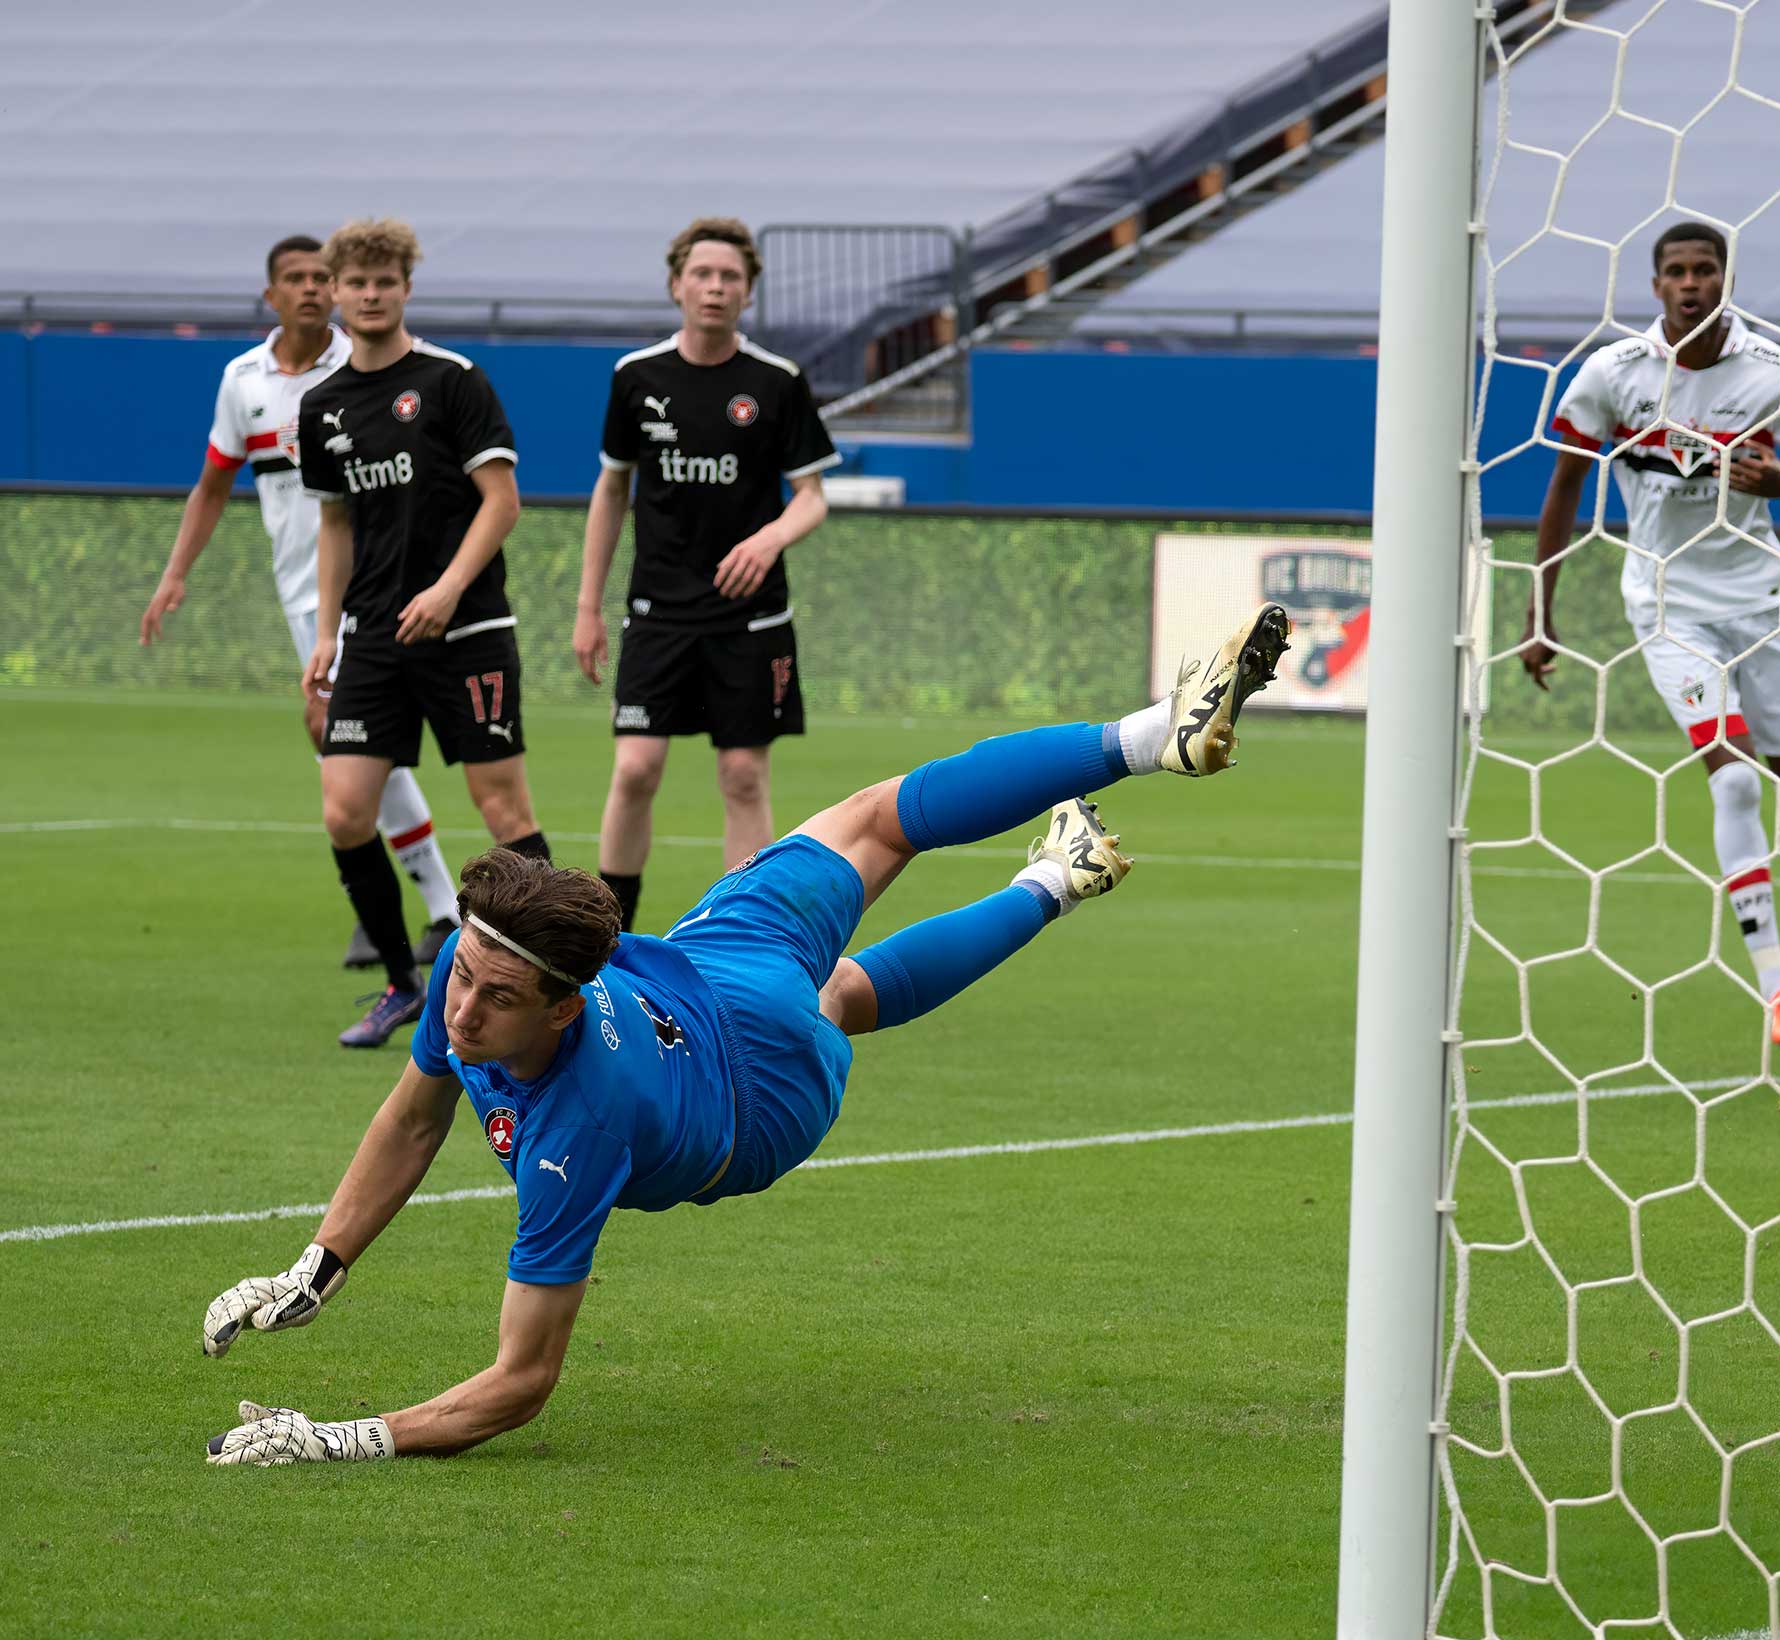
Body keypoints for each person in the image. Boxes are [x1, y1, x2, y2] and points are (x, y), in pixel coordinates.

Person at [196, 604, 1291, 1467]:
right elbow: (411, 1118)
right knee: (868, 866)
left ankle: (1089, 831)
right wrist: (317, 1267)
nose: (461, 1012)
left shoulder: (573, 1137)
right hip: (710, 976)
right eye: (464, 979)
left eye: (494, 999)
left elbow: (520, 1384)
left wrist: (338, 1438)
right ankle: (1120, 778)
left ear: (564, 1005)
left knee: (848, 963)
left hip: (756, 1094)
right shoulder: (476, 967)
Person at [1524, 220, 1780, 1056]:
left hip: (1758, 600)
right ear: (1655, 285)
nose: (1691, 283)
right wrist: (1538, 612)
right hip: (1668, 605)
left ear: (1726, 279)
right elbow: (1563, 488)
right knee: (1733, 781)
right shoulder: (1614, 374)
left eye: (1705, 270)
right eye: (1676, 272)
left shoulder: (1772, 370)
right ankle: (1777, 986)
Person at [140, 234, 460, 971]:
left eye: (322, 276)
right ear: (272, 295)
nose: (312, 288)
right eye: (297, 278)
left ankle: (435, 909)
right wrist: (175, 573)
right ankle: (421, 908)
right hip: (304, 600)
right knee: (359, 753)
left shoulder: (367, 364)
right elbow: (214, 483)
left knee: (355, 748)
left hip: (376, 589)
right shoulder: (242, 380)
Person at [296, 217, 548, 1050]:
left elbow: (502, 502)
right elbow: (336, 525)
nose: (370, 295)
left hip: (468, 628)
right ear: (335, 291)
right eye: (356, 282)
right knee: (345, 811)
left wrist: (446, 589)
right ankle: (403, 986)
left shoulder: (452, 381)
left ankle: (562, 972)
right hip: (373, 636)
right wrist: (326, 634)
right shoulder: (322, 405)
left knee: (501, 805)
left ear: (406, 287)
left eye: (385, 281)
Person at [573, 218, 841, 928]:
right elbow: (611, 490)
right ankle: (607, 939)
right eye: (702, 274)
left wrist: (769, 539)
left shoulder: (777, 382)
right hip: (657, 612)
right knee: (635, 769)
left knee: (743, 775)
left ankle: (742, 941)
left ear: (748, 292)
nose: (715, 287)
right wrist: (588, 606)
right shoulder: (637, 377)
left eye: (730, 277)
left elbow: (812, 497)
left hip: (749, 618)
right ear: (676, 285)